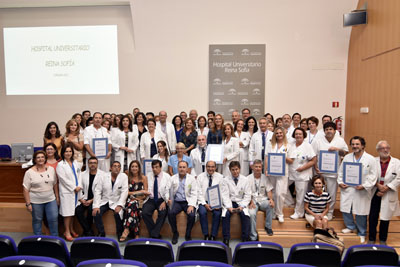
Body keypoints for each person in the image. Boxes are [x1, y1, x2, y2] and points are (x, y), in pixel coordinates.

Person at [338, 136, 377, 244]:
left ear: (363, 146)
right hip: (348, 188)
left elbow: (373, 175)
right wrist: (340, 182)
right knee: (346, 209)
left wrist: (364, 186)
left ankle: (362, 233)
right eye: (353, 144)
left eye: (357, 144)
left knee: (361, 212)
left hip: (361, 190)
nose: (355, 146)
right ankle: (350, 226)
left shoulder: (370, 159)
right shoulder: (347, 158)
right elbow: (341, 172)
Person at [312, 122, 348, 220]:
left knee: (331, 193)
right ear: (324, 131)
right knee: (319, 192)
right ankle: (318, 211)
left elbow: (346, 153)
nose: (329, 131)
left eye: (331, 129)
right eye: (327, 129)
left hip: (333, 172)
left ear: (335, 131)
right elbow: (313, 155)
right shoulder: (318, 141)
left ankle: (330, 212)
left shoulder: (340, 141)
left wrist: (337, 149)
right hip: (320, 172)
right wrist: (315, 167)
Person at [368, 141, 400, 245]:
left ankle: (383, 239)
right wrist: (378, 186)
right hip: (375, 190)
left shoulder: (397, 162)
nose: (385, 150)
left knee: (385, 217)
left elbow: (398, 178)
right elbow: (368, 175)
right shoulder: (373, 161)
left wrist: (386, 188)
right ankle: (371, 238)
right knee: (373, 216)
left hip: (389, 191)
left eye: (387, 148)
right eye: (382, 148)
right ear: (378, 150)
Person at [23, 150, 59, 236]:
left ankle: (55, 239)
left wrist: (57, 197)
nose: (40, 159)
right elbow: (25, 189)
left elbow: (55, 184)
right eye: (38, 157)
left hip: (50, 200)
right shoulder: (29, 172)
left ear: (45, 158)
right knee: (37, 220)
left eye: (42, 157)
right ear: (34, 159)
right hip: (36, 201)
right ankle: (37, 240)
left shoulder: (51, 169)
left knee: (53, 219)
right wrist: (28, 204)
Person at [92, 161, 128, 238]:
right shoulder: (103, 176)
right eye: (115, 166)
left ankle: (119, 233)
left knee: (117, 214)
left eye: (119, 166)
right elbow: (97, 191)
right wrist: (96, 206)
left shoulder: (124, 176)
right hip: (105, 200)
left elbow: (124, 192)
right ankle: (101, 233)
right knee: (96, 213)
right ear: (110, 168)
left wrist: (120, 205)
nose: (117, 168)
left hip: (116, 201)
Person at [265, 127, 292, 223]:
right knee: (273, 193)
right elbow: (267, 157)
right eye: (277, 133)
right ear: (274, 135)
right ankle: (273, 212)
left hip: (282, 173)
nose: (279, 134)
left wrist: (283, 157)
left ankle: (280, 213)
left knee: (280, 193)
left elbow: (291, 160)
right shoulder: (271, 144)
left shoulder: (288, 145)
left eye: (281, 133)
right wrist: (266, 169)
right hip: (272, 172)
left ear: (283, 134)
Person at [288, 128, 317, 220]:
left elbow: (313, 160)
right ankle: (290, 203)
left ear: (304, 135)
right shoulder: (291, 145)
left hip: (303, 173)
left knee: (300, 194)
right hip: (291, 172)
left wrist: (303, 168)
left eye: (300, 134)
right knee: (282, 187)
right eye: (296, 134)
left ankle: (299, 212)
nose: (298, 136)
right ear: (294, 135)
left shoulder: (307, 146)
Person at [168, 161, 198, 244]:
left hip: (187, 201)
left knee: (192, 214)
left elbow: (194, 193)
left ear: (187, 169)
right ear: (177, 168)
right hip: (177, 201)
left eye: (184, 167)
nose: (182, 169)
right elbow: (167, 190)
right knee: (170, 213)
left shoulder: (192, 179)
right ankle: (175, 233)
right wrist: (168, 198)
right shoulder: (172, 178)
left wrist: (191, 205)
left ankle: (188, 234)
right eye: (180, 167)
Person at [221, 161, 251, 245]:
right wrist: (229, 207)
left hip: (241, 202)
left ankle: (245, 238)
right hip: (230, 202)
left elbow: (248, 195)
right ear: (230, 170)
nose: (235, 171)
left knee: (245, 216)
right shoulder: (225, 180)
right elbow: (225, 195)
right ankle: (226, 238)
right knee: (225, 215)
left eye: (236, 169)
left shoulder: (245, 180)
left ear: (240, 169)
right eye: (233, 170)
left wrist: (242, 206)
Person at [56, 144, 82, 241]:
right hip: (67, 191)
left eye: (70, 151)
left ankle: (71, 229)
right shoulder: (60, 165)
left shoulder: (75, 162)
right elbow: (63, 179)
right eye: (66, 151)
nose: (68, 153)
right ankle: (66, 231)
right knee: (67, 213)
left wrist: (79, 186)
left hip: (76, 191)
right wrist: (73, 187)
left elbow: (79, 175)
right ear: (63, 153)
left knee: (72, 212)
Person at [119, 160, 150, 241]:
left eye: (136, 166)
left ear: (139, 168)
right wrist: (139, 192)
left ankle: (126, 230)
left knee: (132, 206)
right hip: (129, 199)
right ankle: (136, 234)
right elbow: (126, 192)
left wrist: (139, 197)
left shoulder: (144, 178)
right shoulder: (127, 177)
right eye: (132, 166)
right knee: (132, 206)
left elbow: (146, 193)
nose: (134, 168)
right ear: (130, 168)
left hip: (141, 201)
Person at [75, 156, 105, 236]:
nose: (92, 165)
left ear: (97, 164)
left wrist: (92, 200)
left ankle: (87, 232)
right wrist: (81, 199)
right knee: (78, 210)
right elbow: (80, 187)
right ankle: (88, 230)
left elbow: (102, 191)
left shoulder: (103, 175)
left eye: (94, 163)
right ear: (88, 164)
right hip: (84, 198)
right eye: (91, 163)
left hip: (96, 199)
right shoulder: (82, 174)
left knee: (90, 210)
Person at [142, 160, 170, 239]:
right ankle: (155, 233)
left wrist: (165, 201)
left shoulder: (167, 176)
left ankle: (153, 234)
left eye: (156, 167)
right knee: (144, 213)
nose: (154, 169)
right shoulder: (148, 175)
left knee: (163, 213)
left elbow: (169, 190)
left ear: (161, 167)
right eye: (153, 167)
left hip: (162, 199)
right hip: (150, 199)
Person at [197, 161, 224, 240]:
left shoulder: (220, 177)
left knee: (217, 213)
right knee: (202, 212)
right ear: (206, 167)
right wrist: (205, 204)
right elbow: (198, 192)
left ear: (215, 168)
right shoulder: (200, 177)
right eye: (208, 166)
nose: (210, 168)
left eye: (212, 167)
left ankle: (213, 235)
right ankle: (205, 235)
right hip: (203, 201)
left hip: (216, 202)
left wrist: (218, 204)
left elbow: (223, 192)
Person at [248, 160, 274, 239]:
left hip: (262, 200)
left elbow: (269, 190)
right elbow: (246, 193)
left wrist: (271, 199)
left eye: (259, 167)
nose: (258, 168)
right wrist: (250, 202)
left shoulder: (265, 178)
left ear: (262, 168)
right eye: (256, 167)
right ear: (252, 167)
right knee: (251, 213)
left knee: (270, 205)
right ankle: (253, 236)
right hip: (253, 201)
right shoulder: (247, 178)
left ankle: (268, 227)